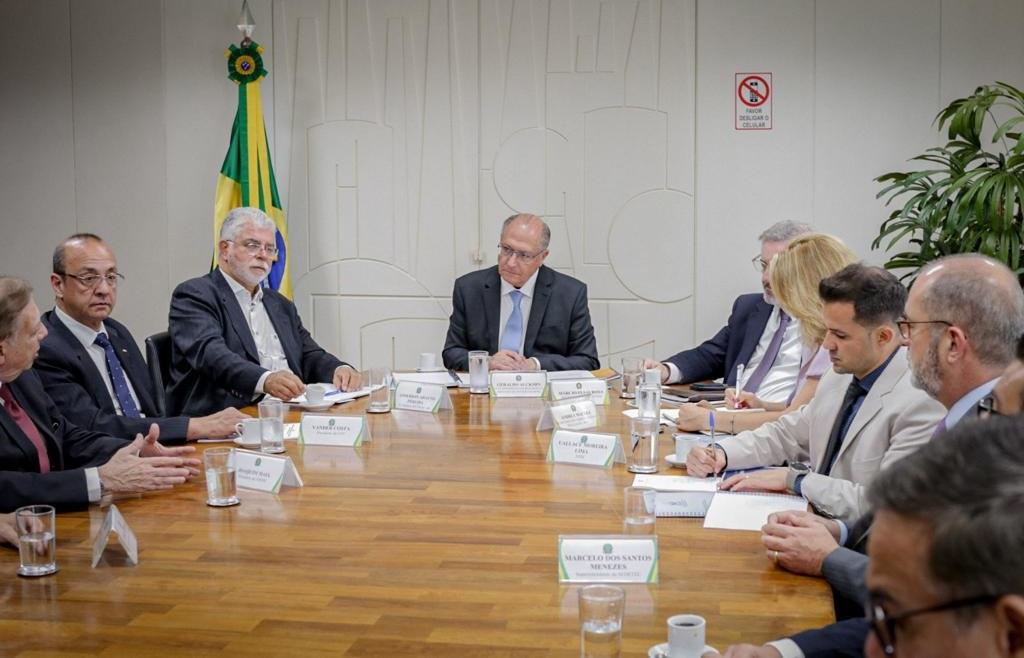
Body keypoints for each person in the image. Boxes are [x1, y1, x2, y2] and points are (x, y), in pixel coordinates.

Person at [718, 254, 1024, 658]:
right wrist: (840, 534)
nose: (903, 338)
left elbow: (918, 604)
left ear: (952, 343)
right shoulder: (967, 418)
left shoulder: (991, 448)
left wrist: (827, 550)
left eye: (909, 327)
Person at [686, 264, 945, 524]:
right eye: (827, 331)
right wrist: (720, 452)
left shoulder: (921, 400)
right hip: (808, 525)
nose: (826, 345)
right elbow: (789, 434)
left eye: (840, 335)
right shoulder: (838, 376)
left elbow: (886, 504)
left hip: (857, 547)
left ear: (884, 336)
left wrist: (797, 481)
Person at [0, 277, 198, 512]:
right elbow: (6, 485)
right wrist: (99, 480)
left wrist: (131, 450)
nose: (44, 332)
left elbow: (65, 434)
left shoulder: (22, 376)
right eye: (33, 332)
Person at [35, 234, 247, 443]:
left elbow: (152, 410)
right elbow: (93, 426)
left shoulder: (115, 331)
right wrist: (195, 426)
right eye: (88, 278)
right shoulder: (46, 346)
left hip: (157, 446)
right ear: (58, 285)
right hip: (112, 458)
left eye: (110, 277)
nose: (103, 289)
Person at [167, 208, 362, 416]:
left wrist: (339, 369)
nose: (263, 255)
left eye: (270, 248)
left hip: (290, 411)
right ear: (224, 250)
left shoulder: (278, 303)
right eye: (252, 245)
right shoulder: (195, 295)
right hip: (230, 417)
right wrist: (266, 380)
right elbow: (213, 356)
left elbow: (308, 354)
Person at [676, 234, 856, 434]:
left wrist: (711, 419)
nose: (769, 282)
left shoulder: (835, 343)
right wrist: (761, 405)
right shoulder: (823, 332)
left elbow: (795, 422)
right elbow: (806, 409)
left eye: (785, 285)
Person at [646, 220, 813, 404]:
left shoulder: (822, 325)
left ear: (804, 268)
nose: (765, 278)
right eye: (764, 266)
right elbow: (710, 356)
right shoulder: (749, 308)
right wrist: (666, 370)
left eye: (777, 268)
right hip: (727, 412)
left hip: (775, 422)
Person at [441, 213, 599, 372]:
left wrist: (535, 365)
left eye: (524, 255)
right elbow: (451, 353)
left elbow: (587, 360)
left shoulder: (570, 294)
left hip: (541, 392)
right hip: (486, 390)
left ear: (543, 256)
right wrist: (486, 362)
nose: (510, 262)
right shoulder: (469, 288)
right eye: (506, 249)